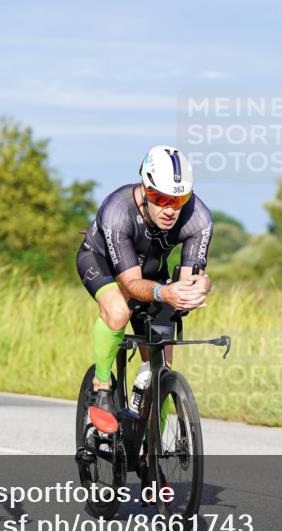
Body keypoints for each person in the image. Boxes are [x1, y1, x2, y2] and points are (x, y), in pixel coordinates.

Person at [76, 145, 213, 433]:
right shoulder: (118, 210)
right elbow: (129, 282)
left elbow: (191, 277)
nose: (169, 209)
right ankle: (102, 385)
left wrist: (198, 287)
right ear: (145, 187)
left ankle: (151, 452)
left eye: (178, 199)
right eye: (159, 198)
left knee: (162, 365)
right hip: (102, 263)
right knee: (118, 311)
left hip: (150, 271)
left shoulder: (198, 217)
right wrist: (164, 292)